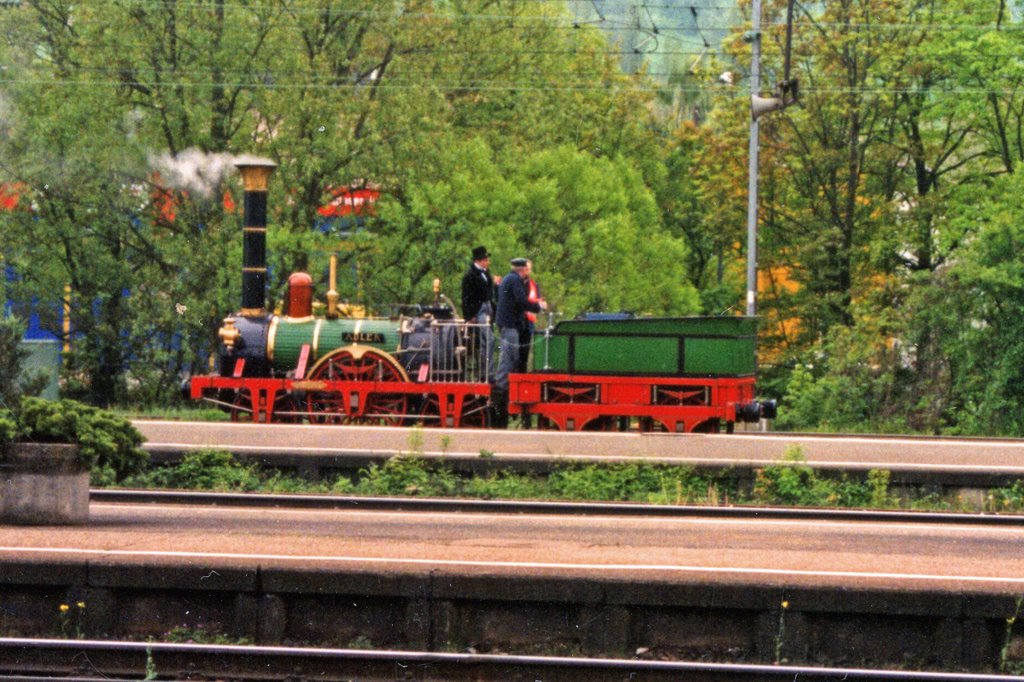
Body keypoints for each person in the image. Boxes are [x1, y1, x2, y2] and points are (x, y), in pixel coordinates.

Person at [493, 257, 545, 427]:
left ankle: (503, 400)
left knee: (512, 359)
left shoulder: (510, 280)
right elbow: (521, 301)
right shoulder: (514, 281)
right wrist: (539, 307)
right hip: (510, 326)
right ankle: (499, 401)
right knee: (509, 360)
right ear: (522, 269)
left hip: (512, 325)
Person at [460, 245, 498, 382]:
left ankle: (486, 372)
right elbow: (466, 298)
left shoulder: (486, 273)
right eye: (486, 259)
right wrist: (469, 316)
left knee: (486, 342)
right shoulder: (470, 276)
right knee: (489, 340)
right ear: (479, 260)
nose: (488, 262)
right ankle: (487, 373)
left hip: (488, 308)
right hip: (478, 310)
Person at [518, 260, 543, 373]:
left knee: (525, 350)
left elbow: (538, 301)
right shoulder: (517, 283)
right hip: (519, 320)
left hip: (530, 321)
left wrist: (541, 305)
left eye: (528, 269)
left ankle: (522, 372)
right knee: (516, 350)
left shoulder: (533, 285)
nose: (526, 271)